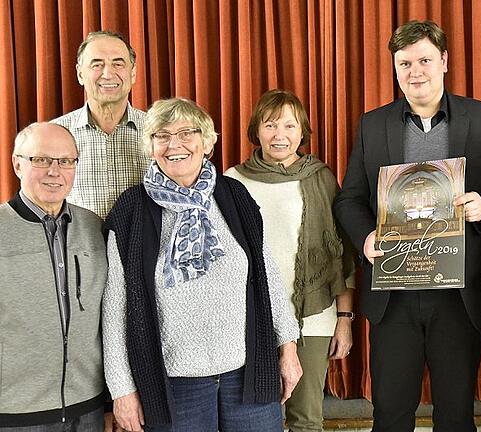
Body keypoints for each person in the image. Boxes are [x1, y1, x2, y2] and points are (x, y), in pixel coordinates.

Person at [333, 20, 481, 431]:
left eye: (424, 60)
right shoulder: (373, 125)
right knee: (389, 414)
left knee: (456, 415)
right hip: (393, 293)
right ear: (394, 67)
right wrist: (366, 236)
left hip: (458, 294)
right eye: (404, 63)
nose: (415, 72)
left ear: (443, 61)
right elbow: (349, 199)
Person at [101, 98, 302, 432]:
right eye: (161, 136)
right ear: (150, 146)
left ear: (208, 142)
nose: (174, 144)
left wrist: (288, 348)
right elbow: (115, 308)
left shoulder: (235, 195)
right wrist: (122, 390)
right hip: (173, 385)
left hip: (248, 373)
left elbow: (268, 277)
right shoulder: (131, 210)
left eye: (187, 133)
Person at [225, 89, 356, 432]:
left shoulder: (320, 178)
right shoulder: (232, 180)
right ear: (257, 130)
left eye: (289, 125)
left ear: (302, 132)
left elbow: (340, 253)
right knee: (252, 416)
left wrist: (344, 318)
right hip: (249, 316)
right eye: (270, 125)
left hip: (313, 315)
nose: (279, 135)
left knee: (307, 418)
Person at [0, 123, 112, 430]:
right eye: (41, 160)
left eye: (65, 161)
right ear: (17, 164)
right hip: (16, 413)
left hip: (88, 407)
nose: (55, 171)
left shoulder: (93, 227)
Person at [52, 30, 150, 219]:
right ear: (80, 74)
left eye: (118, 64)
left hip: (146, 248)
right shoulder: (55, 134)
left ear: (133, 73)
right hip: (76, 248)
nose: (108, 74)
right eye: (97, 64)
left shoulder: (160, 133)